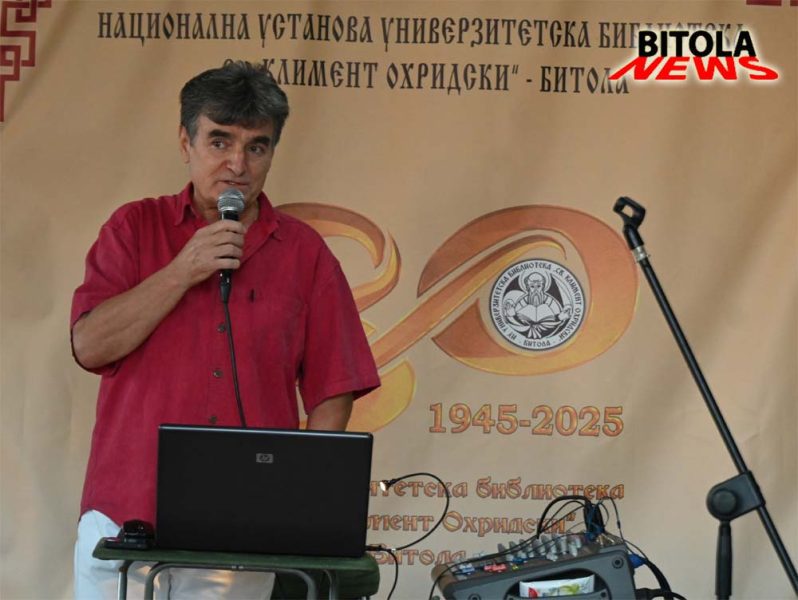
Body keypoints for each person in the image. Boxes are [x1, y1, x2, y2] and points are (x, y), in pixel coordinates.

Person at [70, 60, 380, 599]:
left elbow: (334, 388)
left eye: (257, 146)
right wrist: (182, 270)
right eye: (220, 141)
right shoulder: (133, 228)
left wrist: (297, 500)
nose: (237, 164)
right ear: (185, 143)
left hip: (243, 534)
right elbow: (89, 346)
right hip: (125, 522)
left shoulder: (304, 253)